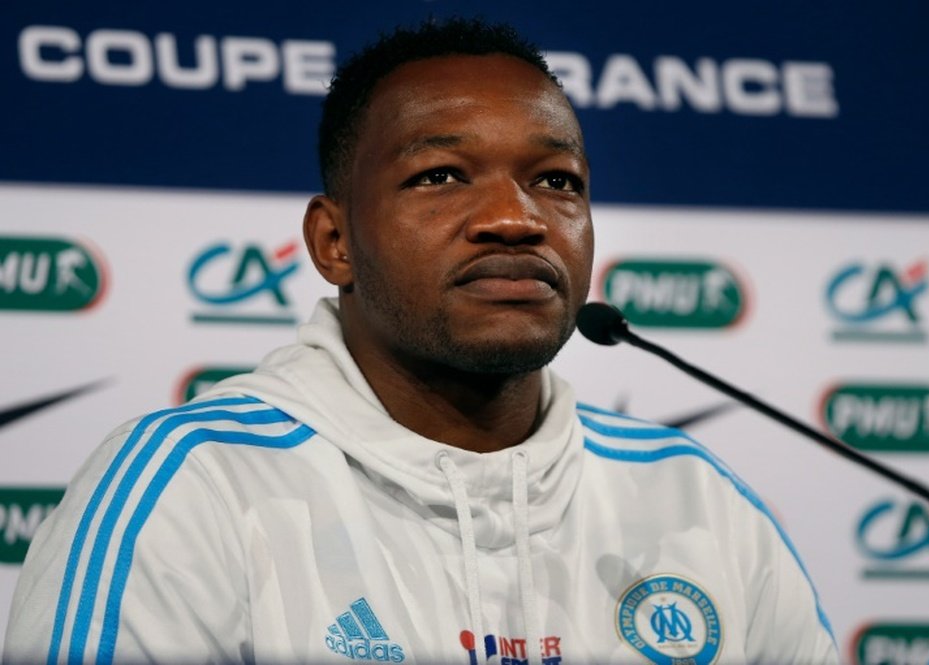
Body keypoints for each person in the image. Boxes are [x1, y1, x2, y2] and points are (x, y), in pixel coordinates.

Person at [3, 18, 838, 665]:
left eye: (558, 181)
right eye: (440, 176)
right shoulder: (192, 490)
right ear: (334, 243)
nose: (517, 218)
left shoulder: (700, 505)